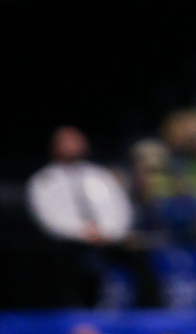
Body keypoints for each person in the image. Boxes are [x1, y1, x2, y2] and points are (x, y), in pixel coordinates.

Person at [26, 125, 160, 307]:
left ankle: (152, 311)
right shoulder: (43, 180)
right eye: (67, 141)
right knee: (62, 258)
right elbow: (48, 218)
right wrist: (83, 232)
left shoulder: (101, 175)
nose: (72, 146)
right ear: (55, 146)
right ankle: (72, 310)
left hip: (107, 237)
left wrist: (108, 232)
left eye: (76, 140)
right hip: (69, 240)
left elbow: (121, 209)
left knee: (136, 250)